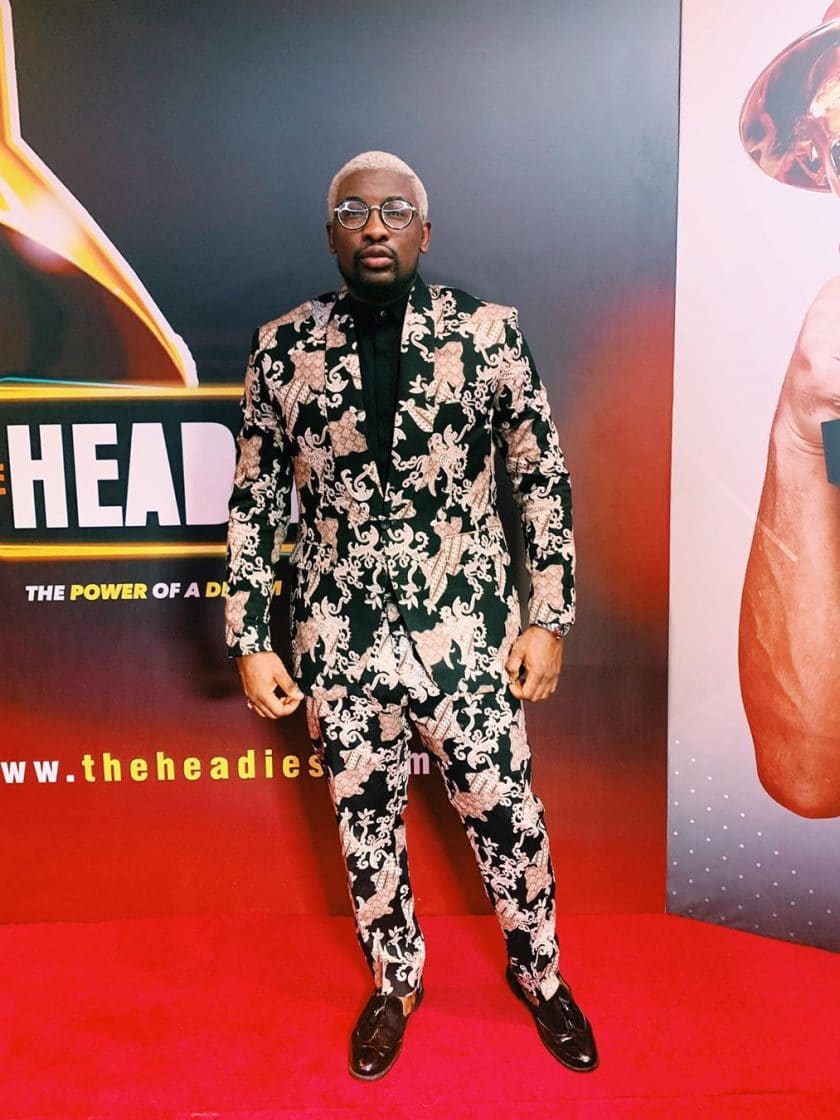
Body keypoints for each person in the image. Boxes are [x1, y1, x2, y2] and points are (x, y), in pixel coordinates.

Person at [225, 150, 598, 1078]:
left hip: (467, 636)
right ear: (333, 237)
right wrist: (249, 637)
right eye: (355, 213)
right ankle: (395, 983)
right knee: (365, 827)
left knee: (508, 817)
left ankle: (540, 975)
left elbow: (539, 477)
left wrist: (548, 616)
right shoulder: (282, 348)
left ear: (424, 232)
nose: (376, 227)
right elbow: (257, 498)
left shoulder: (489, 333)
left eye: (395, 211)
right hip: (339, 644)